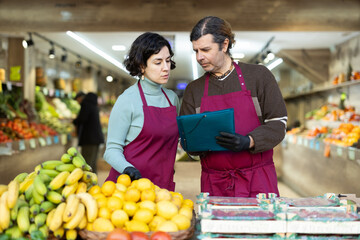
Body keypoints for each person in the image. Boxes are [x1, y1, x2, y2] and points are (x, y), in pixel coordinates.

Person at [180, 16, 288, 197]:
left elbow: (278, 123)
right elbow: (186, 139)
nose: (199, 57)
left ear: (224, 45)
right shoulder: (194, 90)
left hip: (258, 180)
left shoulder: (259, 76)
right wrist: (193, 146)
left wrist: (250, 141)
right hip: (215, 183)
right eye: (196, 51)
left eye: (206, 49)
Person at [104, 32, 180, 191]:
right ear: (141, 66)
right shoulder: (127, 100)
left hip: (161, 187)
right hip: (128, 189)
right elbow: (111, 150)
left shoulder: (172, 99)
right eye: (158, 62)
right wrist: (127, 169)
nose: (166, 68)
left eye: (167, 61)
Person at [73, 92, 104, 173]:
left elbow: (82, 118)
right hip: (96, 138)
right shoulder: (94, 105)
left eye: (77, 100)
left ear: (80, 98)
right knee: (93, 163)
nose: (78, 102)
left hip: (89, 139)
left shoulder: (86, 105)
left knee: (87, 163)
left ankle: (88, 182)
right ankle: (94, 182)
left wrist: (74, 121)